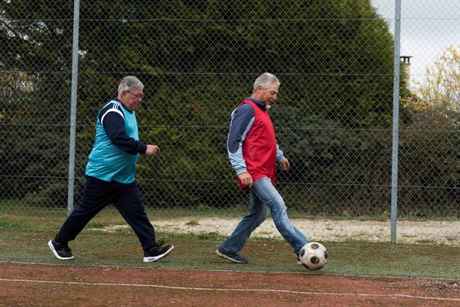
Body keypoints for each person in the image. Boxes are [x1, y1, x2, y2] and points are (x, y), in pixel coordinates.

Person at [48, 76, 174, 263]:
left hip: (123, 177)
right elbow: (118, 138)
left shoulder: (128, 111)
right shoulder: (112, 111)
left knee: (137, 213)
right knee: (84, 212)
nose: (140, 100)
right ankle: (59, 243)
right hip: (102, 176)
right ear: (124, 93)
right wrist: (143, 148)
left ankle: (151, 250)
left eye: (142, 96)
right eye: (137, 96)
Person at [216, 72, 309, 264]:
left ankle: (229, 248)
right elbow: (233, 141)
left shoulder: (262, 110)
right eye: (272, 93)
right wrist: (241, 170)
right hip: (254, 172)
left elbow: (266, 140)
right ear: (259, 89)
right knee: (278, 206)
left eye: (276, 93)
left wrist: (279, 155)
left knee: (258, 215)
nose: (275, 97)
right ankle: (303, 248)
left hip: (263, 171)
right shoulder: (246, 110)